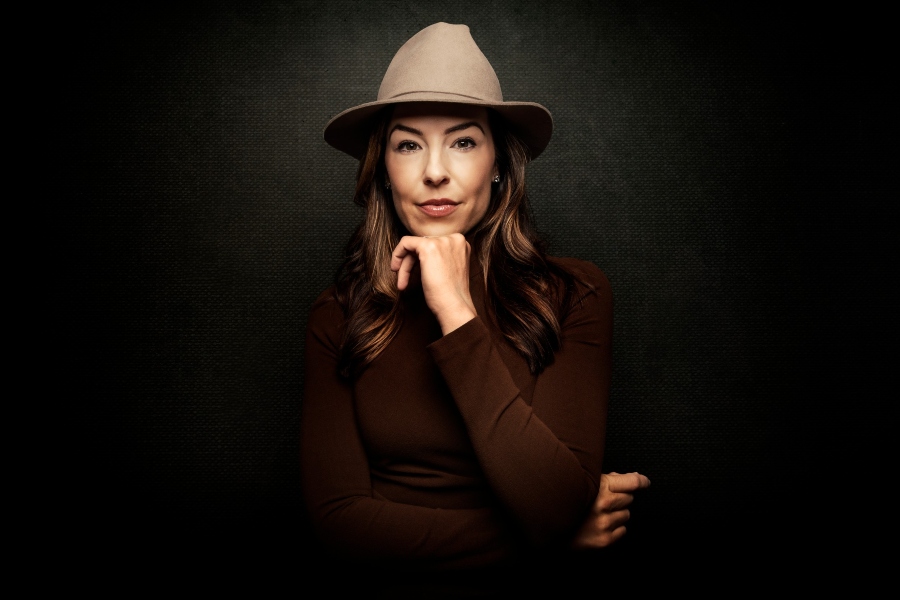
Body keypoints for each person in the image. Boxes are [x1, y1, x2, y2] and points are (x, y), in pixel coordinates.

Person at [300, 22, 649, 595]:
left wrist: (456, 313)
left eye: (463, 141)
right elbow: (339, 525)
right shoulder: (338, 315)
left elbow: (555, 500)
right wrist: (550, 537)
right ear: (384, 173)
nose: (435, 170)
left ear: (499, 164)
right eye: (408, 144)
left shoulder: (573, 295)